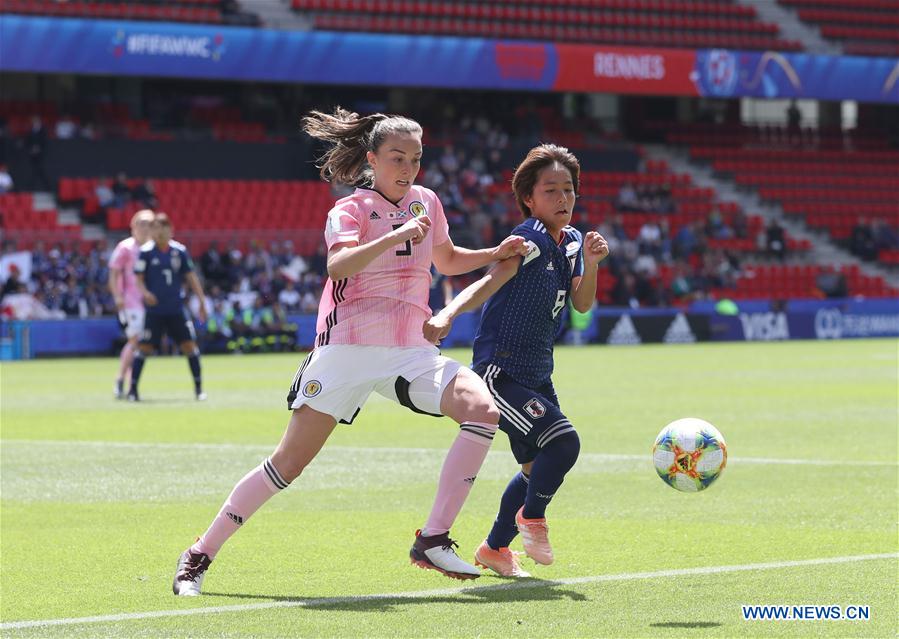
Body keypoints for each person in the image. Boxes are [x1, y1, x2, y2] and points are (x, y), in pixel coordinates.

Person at [171, 107, 528, 596]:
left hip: (410, 349)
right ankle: (199, 555)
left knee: (482, 409)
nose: (408, 168)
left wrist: (492, 253)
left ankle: (433, 538)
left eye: (416, 158)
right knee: (287, 465)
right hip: (348, 348)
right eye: (397, 157)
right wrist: (396, 235)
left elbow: (445, 260)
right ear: (372, 159)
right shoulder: (350, 210)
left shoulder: (427, 201)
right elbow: (338, 267)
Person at [423, 144, 609, 577]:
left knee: (534, 469)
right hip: (499, 371)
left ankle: (493, 549)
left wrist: (594, 263)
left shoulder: (574, 242)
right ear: (530, 198)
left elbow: (581, 304)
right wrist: (448, 314)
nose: (562, 199)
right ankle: (532, 518)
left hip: (537, 374)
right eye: (551, 191)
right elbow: (490, 281)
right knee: (564, 444)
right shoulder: (527, 241)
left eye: (568, 190)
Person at [130, 213, 208, 402]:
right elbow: (138, 279)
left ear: (170, 230)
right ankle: (133, 390)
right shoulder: (146, 252)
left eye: (162, 227)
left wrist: (202, 302)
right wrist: (145, 293)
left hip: (175, 309)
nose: (159, 231)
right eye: (155, 227)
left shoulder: (179, 251)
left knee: (189, 346)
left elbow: (191, 277)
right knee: (145, 348)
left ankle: (198, 390)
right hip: (155, 311)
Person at [108, 209, 155, 399]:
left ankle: (128, 382)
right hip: (132, 302)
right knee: (136, 341)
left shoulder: (154, 249)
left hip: (151, 303)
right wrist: (117, 296)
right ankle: (122, 379)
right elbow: (114, 273)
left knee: (143, 344)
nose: (145, 228)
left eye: (149, 224)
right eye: (142, 223)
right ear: (133, 226)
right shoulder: (125, 248)